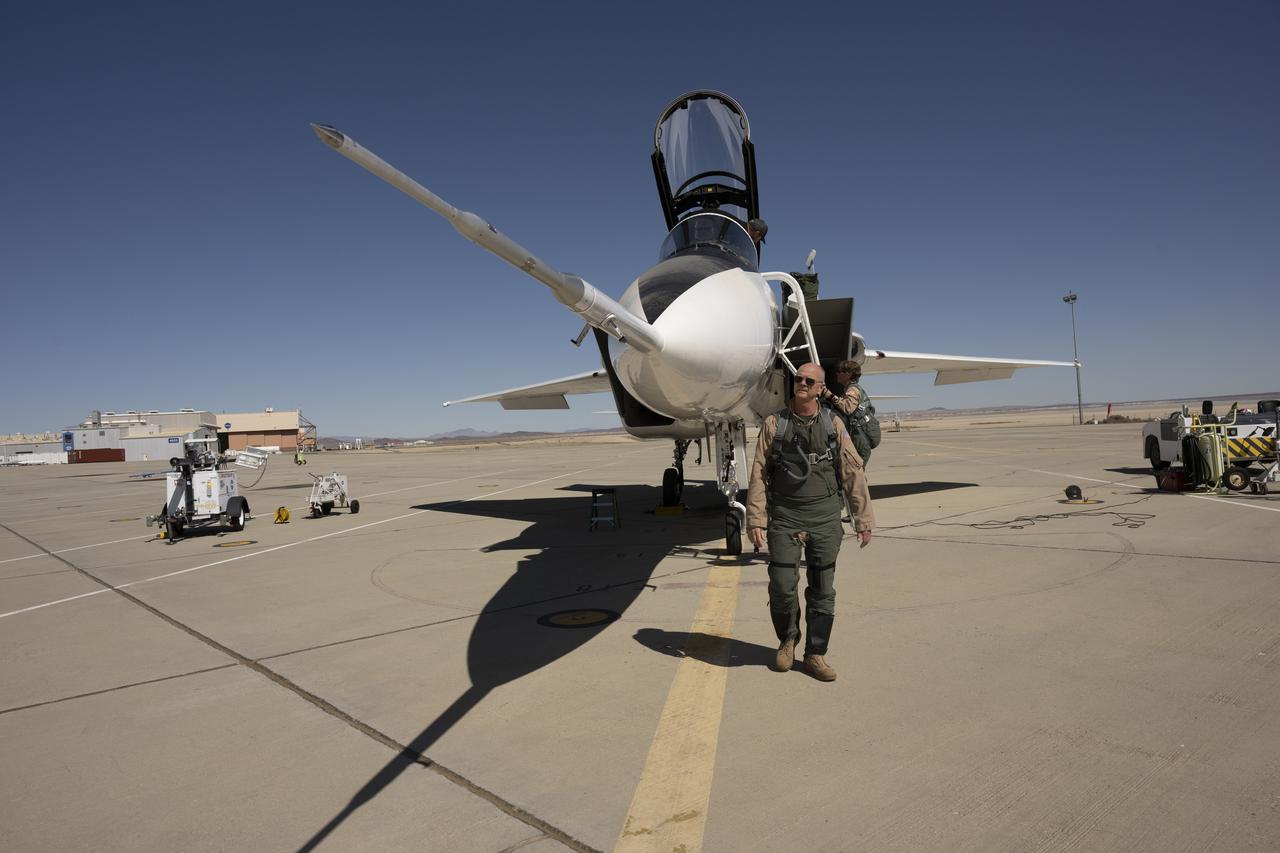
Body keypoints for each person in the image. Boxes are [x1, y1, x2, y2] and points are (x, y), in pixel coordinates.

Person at [746, 362, 874, 682]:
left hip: (824, 518)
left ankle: (816, 654)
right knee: (782, 586)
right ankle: (788, 639)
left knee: (822, 590)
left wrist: (862, 518)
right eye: (798, 379)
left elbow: (851, 471)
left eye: (809, 381)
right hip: (786, 517)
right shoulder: (776, 424)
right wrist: (756, 518)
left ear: (820, 388)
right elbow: (759, 473)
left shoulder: (834, 424)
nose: (801, 383)